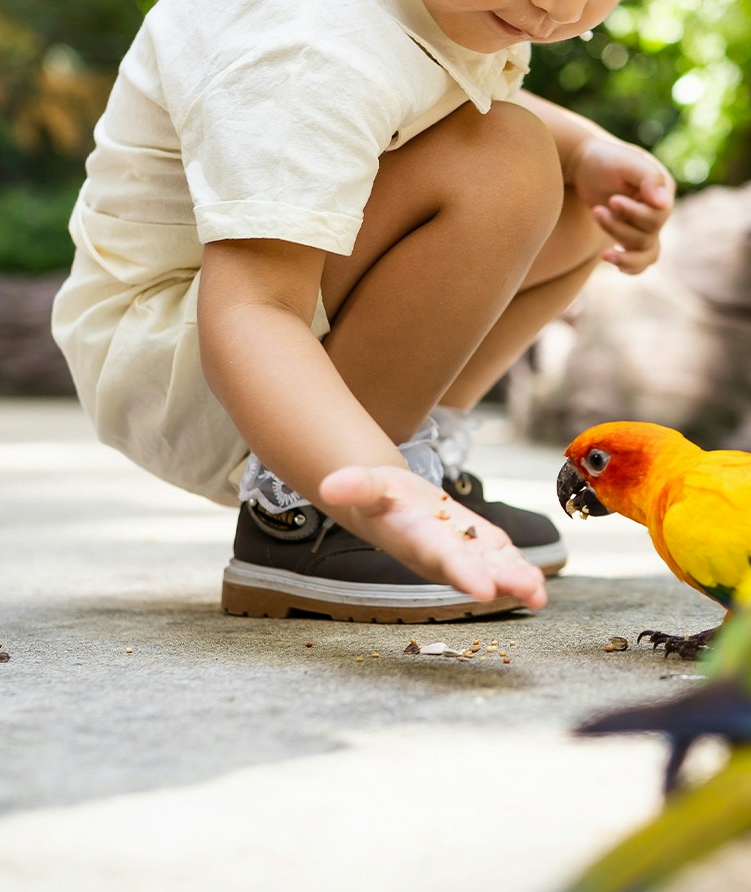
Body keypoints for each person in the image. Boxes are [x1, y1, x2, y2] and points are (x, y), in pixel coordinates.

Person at [50, 0, 675, 623]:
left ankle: (415, 451)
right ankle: (305, 511)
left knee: (578, 196)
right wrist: (377, 488)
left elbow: (443, 86)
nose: (559, 7)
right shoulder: (306, 45)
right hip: (188, 359)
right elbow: (254, 307)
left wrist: (588, 151)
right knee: (505, 161)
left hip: (241, 332)